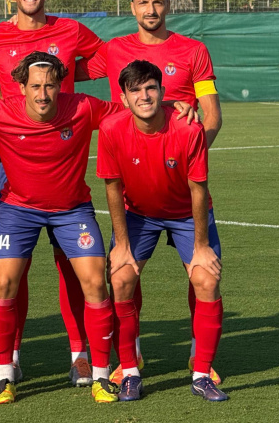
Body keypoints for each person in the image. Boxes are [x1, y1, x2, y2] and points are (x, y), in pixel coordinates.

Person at [77, 0, 223, 385]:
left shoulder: (194, 51)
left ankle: (201, 356)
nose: (151, 10)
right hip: (136, 198)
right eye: (143, 2)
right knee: (123, 274)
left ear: (168, 5)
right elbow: (64, 75)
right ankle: (131, 352)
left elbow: (211, 115)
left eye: (158, 2)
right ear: (133, 7)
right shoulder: (113, 50)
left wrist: (185, 152)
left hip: (183, 188)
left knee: (203, 274)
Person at [0, 52, 122, 404]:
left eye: (50, 86)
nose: (43, 94)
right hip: (19, 210)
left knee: (95, 281)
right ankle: (3, 373)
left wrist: (173, 108)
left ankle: (101, 375)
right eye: (35, 86)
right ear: (20, 87)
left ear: (60, 85)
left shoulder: (83, 106)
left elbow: (131, 111)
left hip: (72, 209)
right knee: (4, 282)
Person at [0, 0, 105, 387]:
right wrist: (6, 109)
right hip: (16, 164)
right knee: (15, 268)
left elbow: (103, 58)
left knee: (74, 266)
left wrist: (65, 81)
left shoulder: (70, 30)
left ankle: (79, 353)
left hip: (63, 153)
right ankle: (10, 356)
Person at [97, 60, 227, 403]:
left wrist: (200, 246)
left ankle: (202, 374)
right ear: (123, 98)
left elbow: (198, 189)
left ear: (163, 91)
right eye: (135, 90)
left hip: (187, 214)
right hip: (139, 215)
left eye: (151, 88)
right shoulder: (111, 129)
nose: (144, 95)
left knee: (206, 279)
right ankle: (129, 371)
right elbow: (112, 188)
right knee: (121, 278)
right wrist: (121, 245)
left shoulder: (188, 129)